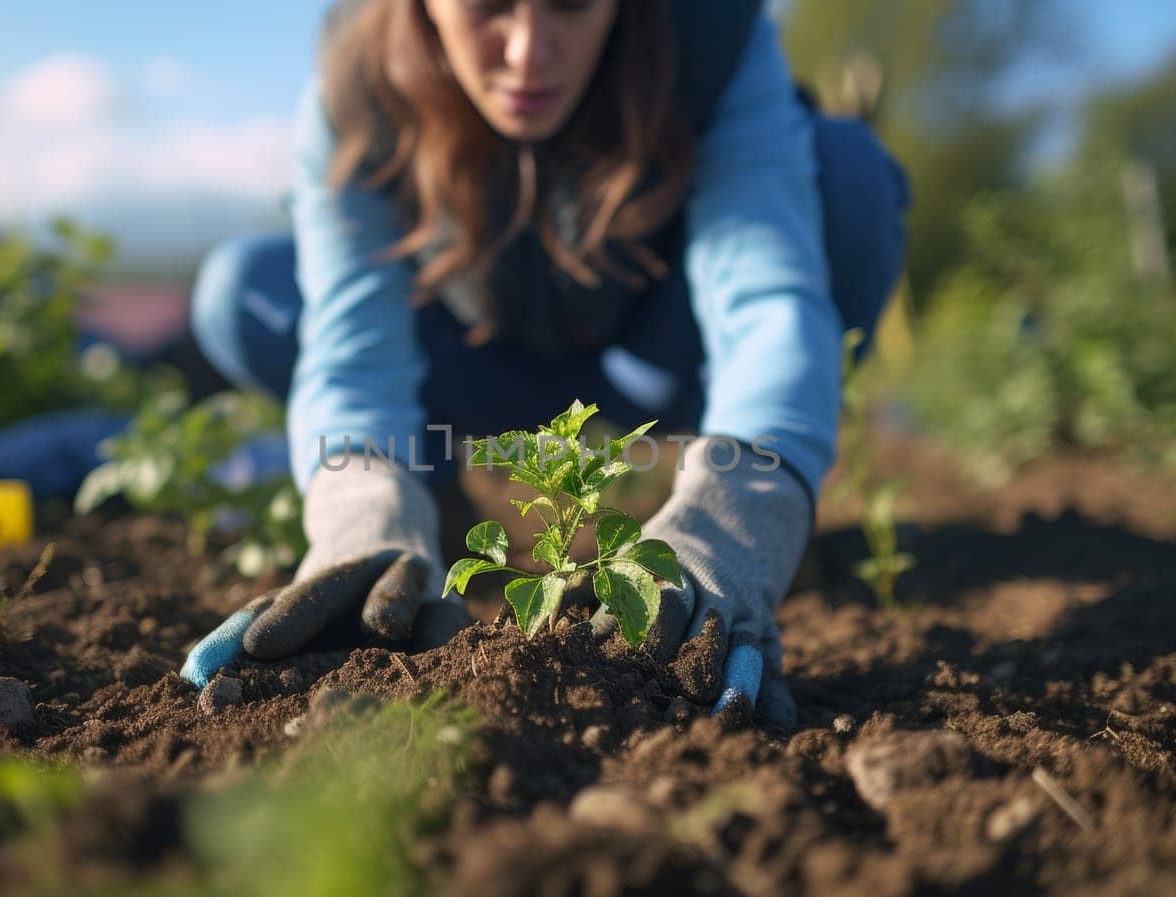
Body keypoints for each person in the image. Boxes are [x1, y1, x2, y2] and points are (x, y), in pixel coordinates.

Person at [179, 0, 909, 727]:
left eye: (570, 5)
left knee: (847, 176)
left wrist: (744, 514)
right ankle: (422, 519)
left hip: (660, 366)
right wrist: (359, 511)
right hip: (466, 371)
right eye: (489, 6)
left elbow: (765, 299)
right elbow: (352, 354)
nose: (529, 52)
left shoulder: (709, 38)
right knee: (248, 293)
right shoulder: (360, 78)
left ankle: (756, 528)